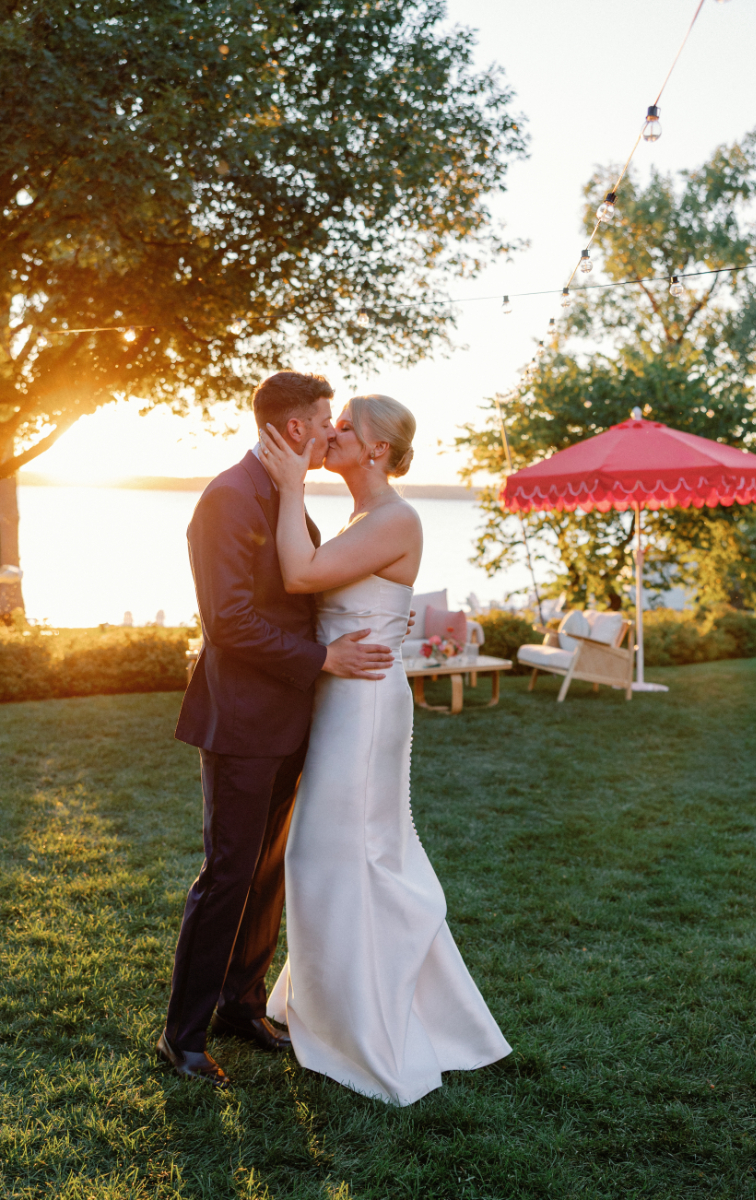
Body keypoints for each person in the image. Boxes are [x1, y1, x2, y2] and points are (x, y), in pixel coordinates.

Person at [260, 393, 511, 1105]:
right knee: (343, 853)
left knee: (339, 853)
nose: (331, 435)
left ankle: (366, 1022)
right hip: (341, 698)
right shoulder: (362, 516)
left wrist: (286, 486)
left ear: (376, 450)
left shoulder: (397, 516)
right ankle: (338, 1003)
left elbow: (301, 576)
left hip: (365, 707)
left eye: (345, 429)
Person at [157, 371, 399, 1089]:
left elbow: (302, 594)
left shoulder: (283, 496)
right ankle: (183, 1038)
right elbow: (228, 622)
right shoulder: (229, 499)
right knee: (229, 874)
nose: (331, 430)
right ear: (296, 429)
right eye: (326, 419)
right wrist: (325, 656)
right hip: (240, 721)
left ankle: (241, 1004)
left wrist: (374, 619)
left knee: (265, 873)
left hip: (290, 719)